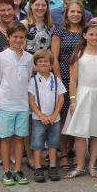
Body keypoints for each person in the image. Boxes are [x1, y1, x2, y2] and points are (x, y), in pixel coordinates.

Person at [62, 23, 97, 178]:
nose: (94, 37)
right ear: (84, 35)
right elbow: (72, 80)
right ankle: (80, 166)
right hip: (82, 95)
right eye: (91, 34)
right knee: (80, 132)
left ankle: (92, 164)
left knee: (96, 132)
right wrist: (72, 100)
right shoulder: (79, 56)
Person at [0, 22, 33, 186]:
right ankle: (7, 170)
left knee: (19, 138)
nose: (18, 40)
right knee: (6, 138)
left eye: (21, 37)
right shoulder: (0, 57)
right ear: (8, 37)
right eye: (15, 36)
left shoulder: (28, 58)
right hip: (6, 103)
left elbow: (28, 81)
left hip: (22, 104)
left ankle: (18, 169)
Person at [50, 0, 85, 171]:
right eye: (73, 12)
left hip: (82, 76)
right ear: (67, 13)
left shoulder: (85, 32)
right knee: (64, 117)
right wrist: (58, 80)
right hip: (63, 74)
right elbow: (54, 58)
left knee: (77, 115)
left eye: (78, 12)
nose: (76, 15)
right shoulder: (59, 31)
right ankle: (63, 153)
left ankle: (74, 151)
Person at [0, 0, 20, 166]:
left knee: (17, 116)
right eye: (3, 10)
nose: (7, 12)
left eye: (9, 9)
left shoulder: (20, 27)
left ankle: (14, 151)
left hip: (17, 80)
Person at [27, 50, 66, 183]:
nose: (43, 63)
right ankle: (38, 168)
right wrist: (40, 115)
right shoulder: (33, 81)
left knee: (53, 143)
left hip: (54, 118)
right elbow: (31, 100)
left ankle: (53, 167)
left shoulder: (56, 79)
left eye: (46, 61)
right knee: (37, 144)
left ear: (51, 64)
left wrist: (55, 114)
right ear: (36, 64)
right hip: (39, 119)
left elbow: (61, 98)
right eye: (40, 61)